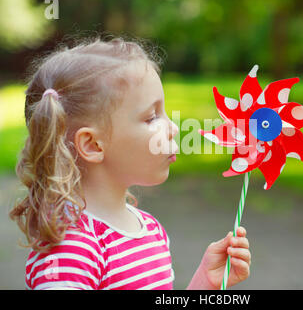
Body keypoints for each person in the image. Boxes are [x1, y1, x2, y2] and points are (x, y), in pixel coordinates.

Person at [9, 36, 251, 290]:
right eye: (151, 117)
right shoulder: (71, 253)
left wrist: (206, 282)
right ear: (93, 144)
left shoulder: (149, 228)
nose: (172, 128)